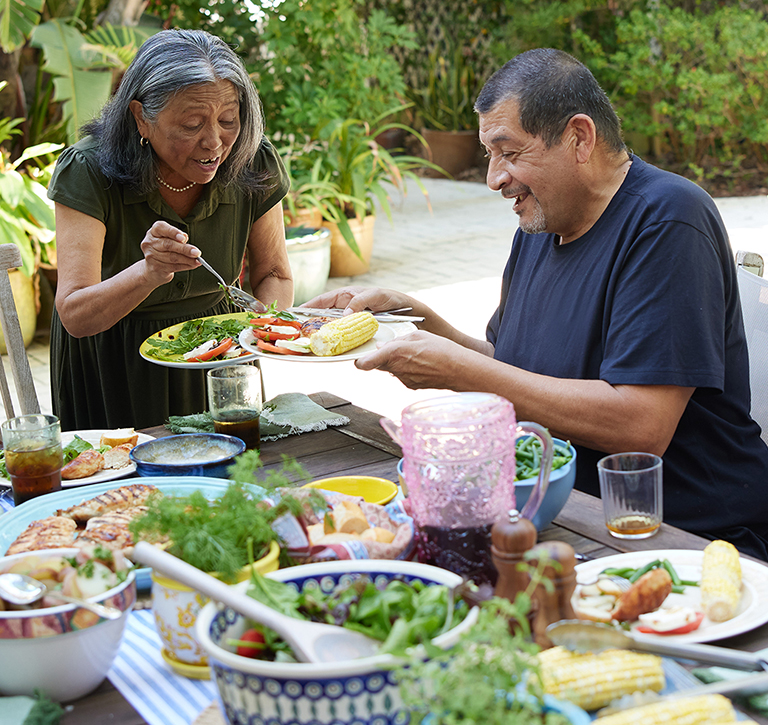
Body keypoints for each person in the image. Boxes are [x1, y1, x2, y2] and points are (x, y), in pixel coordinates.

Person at [306, 48, 768, 560]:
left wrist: (460, 374)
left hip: (682, 535)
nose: (494, 178)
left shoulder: (668, 220)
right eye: (489, 154)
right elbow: (516, 366)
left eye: (510, 152)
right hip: (560, 513)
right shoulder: (541, 225)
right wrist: (416, 321)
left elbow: (640, 425)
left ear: (579, 138)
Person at [48, 29, 292, 431]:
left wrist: (261, 329)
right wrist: (148, 273)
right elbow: (75, 314)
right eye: (192, 124)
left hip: (218, 357)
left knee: (228, 480)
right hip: (114, 363)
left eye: (229, 120)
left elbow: (274, 275)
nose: (214, 142)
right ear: (142, 118)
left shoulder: (252, 159)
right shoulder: (88, 171)